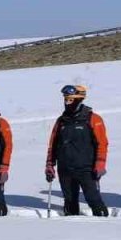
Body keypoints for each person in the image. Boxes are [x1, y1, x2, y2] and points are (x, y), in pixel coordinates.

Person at [46, 85, 109, 216]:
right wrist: (49, 165)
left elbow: (102, 143)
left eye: (69, 100)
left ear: (78, 99)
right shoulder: (61, 121)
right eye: (65, 99)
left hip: (87, 169)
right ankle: (73, 233)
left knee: (93, 199)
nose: (66, 102)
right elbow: (53, 145)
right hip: (65, 169)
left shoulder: (93, 119)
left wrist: (100, 163)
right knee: (69, 202)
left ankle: (104, 226)